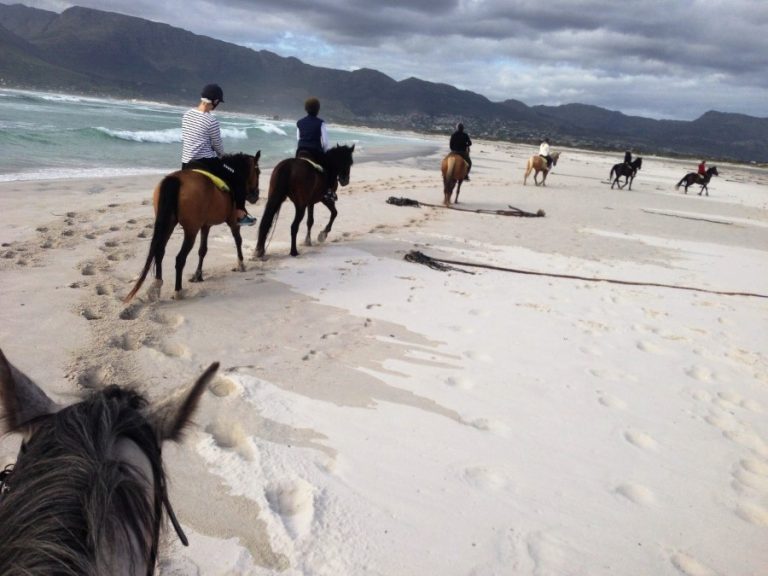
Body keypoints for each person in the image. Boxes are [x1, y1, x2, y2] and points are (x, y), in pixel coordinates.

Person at [181, 83, 255, 226]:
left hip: (186, 163)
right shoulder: (211, 120)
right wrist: (221, 156)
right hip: (206, 162)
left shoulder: (187, 115)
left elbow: (189, 138)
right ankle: (240, 214)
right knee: (238, 178)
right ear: (214, 101)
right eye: (218, 102)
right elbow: (218, 147)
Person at [296, 97, 335, 201]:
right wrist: (326, 153)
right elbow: (325, 142)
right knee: (329, 168)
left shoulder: (299, 122)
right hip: (315, 151)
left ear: (306, 109)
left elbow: (298, 138)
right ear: (318, 109)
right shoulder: (320, 123)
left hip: (300, 150)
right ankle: (328, 192)